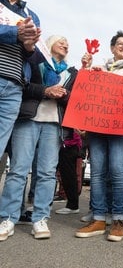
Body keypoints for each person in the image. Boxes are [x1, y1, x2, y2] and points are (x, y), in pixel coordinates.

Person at [0, 35, 77, 241]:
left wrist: (64, 94)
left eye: (67, 43)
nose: (65, 44)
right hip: (28, 120)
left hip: (54, 125)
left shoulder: (71, 72)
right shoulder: (34, 60)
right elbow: (22, 86)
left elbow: (75, 98)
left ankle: (40, 217)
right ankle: (8, 217)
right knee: (18, 170)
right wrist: (46, 90)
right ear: (50, 44)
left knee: (47, 172)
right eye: (61, 41)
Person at [75, 31, 123, 242]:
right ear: (112, 48)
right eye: (120, 44)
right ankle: (98, 218)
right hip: (97, 127)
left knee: (118, 171)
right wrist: (88, 70)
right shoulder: (101, 68)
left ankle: (119, 220)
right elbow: (85, 91)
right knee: (97, 172)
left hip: (119, 127)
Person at [0, 0, 41, 158]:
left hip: (14, 88)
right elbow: (16, 33)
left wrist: (29, 45)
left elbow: (32, 56)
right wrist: (16, 32)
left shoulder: (31, 16)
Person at [55, 129, 83, 215]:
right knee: (66, 174)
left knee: (68, 175)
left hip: (69, 143)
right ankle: (72, 205)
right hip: (68, 141)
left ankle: (72, 205)